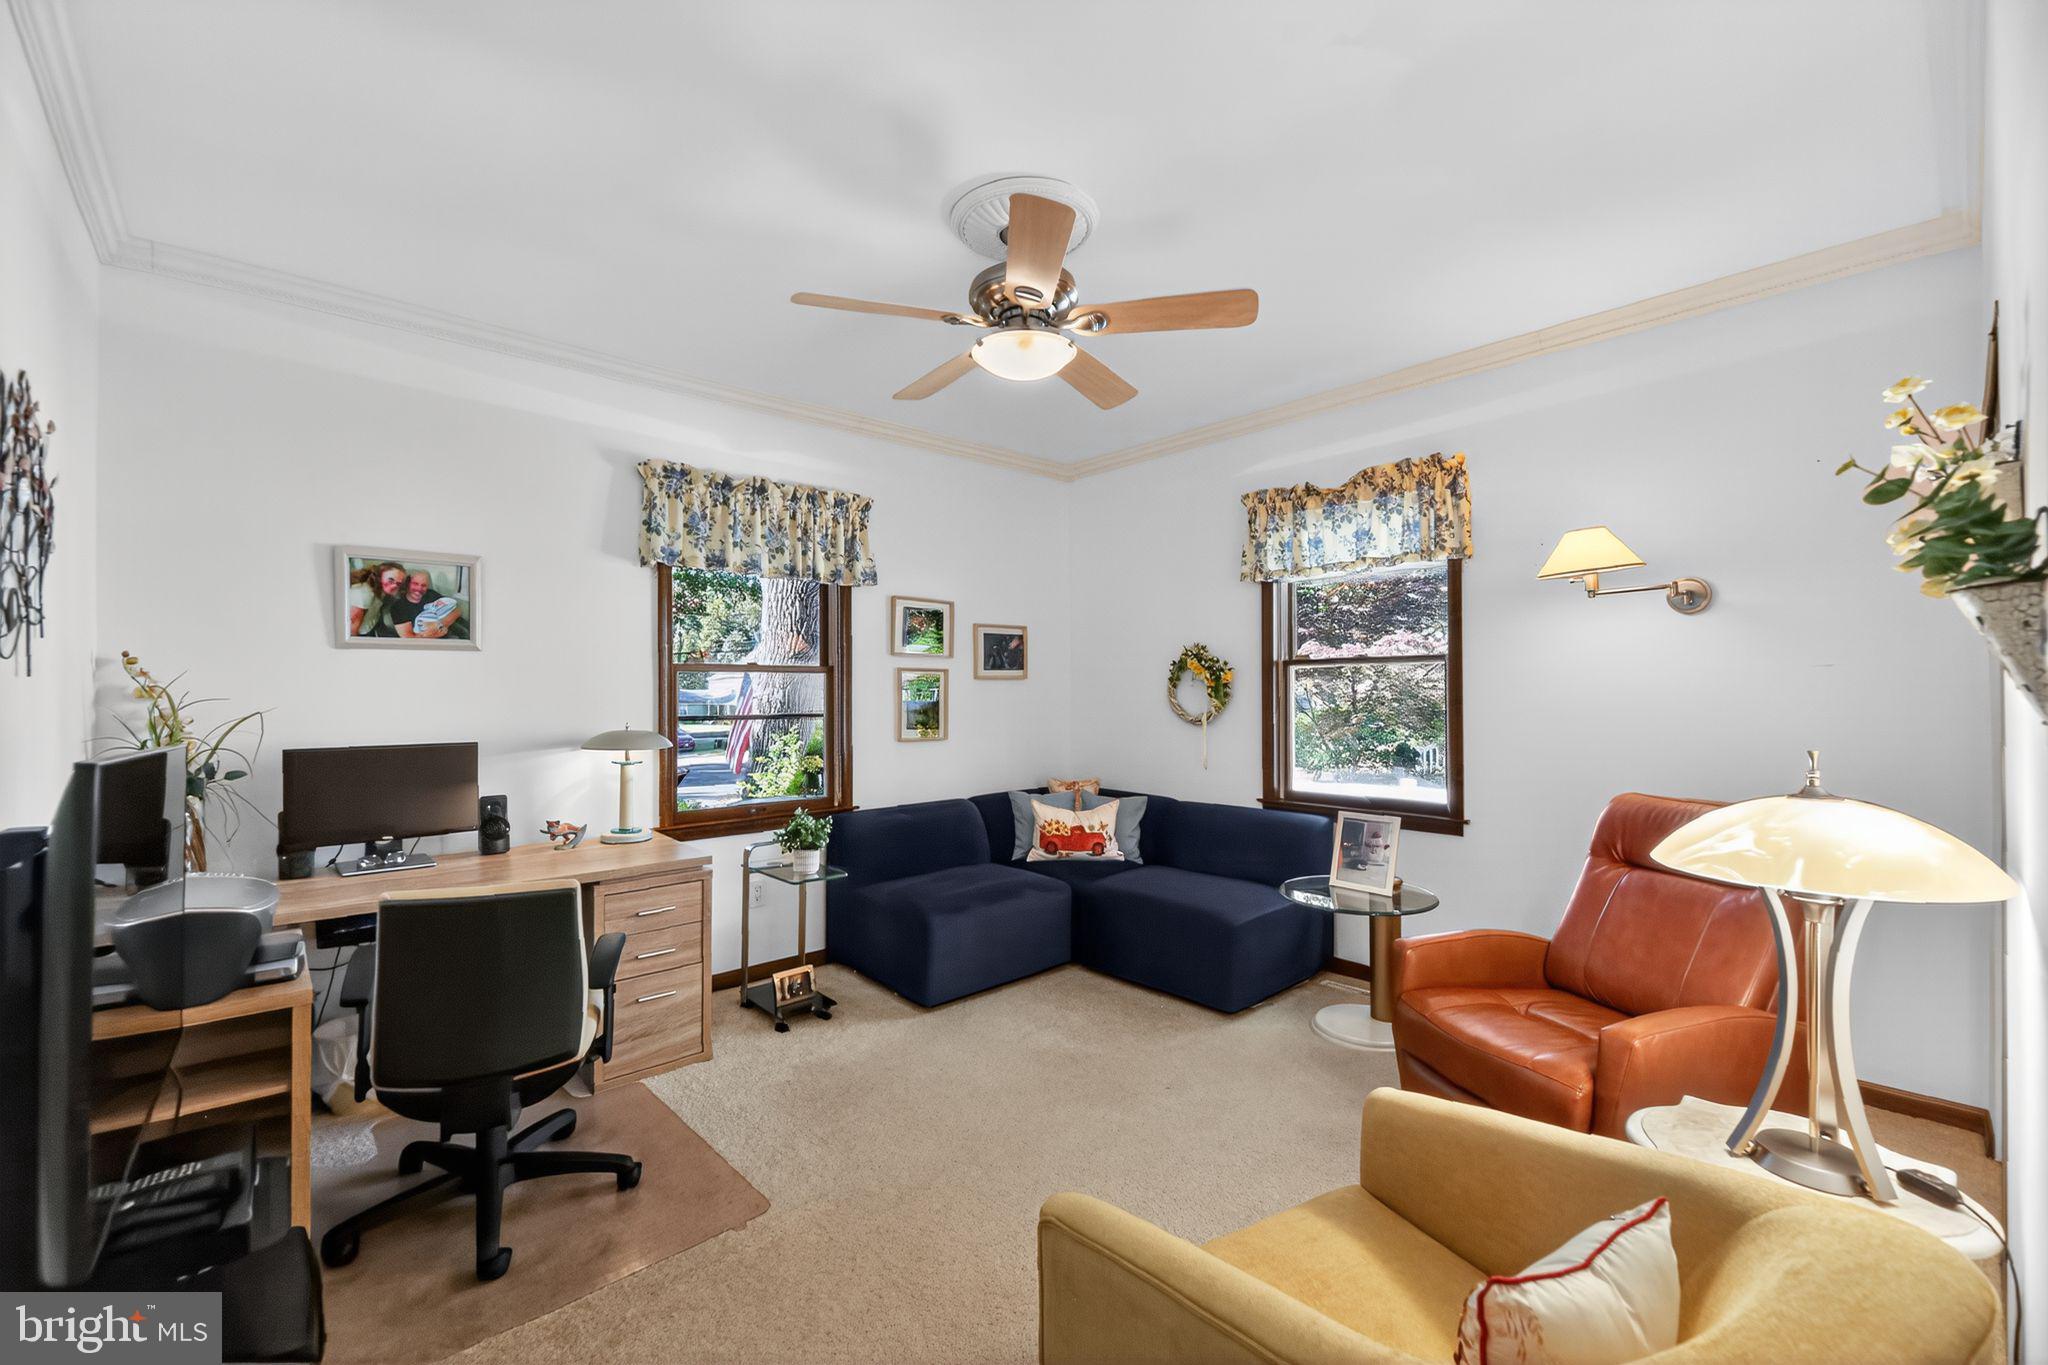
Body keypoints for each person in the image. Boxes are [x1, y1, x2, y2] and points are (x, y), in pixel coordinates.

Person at [389, 567, 469, 640]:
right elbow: (409, 639)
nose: (419, 589)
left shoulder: (430, 594)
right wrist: (435, 633)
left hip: (456, 630)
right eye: (415, 584)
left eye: (423, 585)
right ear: (407, 584)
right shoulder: (398, 607)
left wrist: (441, 624)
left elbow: (457, 609)